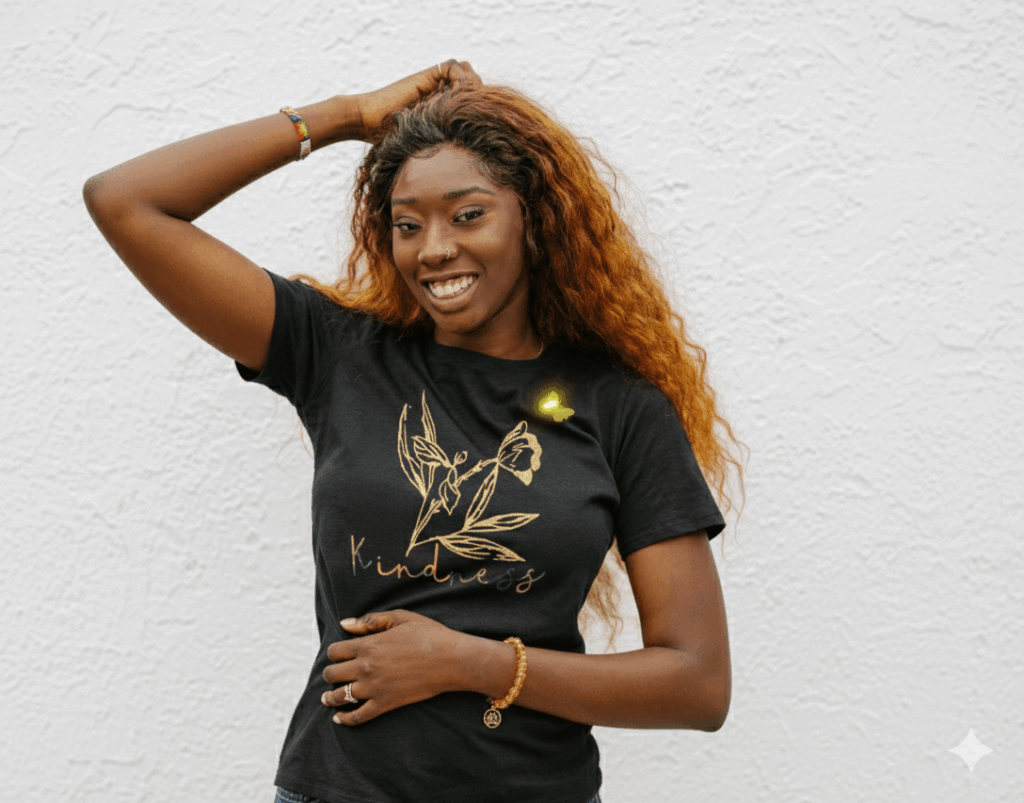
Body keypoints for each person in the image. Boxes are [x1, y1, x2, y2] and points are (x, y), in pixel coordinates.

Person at [83, 60, 742, 803]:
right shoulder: (335, 354)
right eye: (407, 223)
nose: (433, 249)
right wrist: (344, 117)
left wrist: (471, 663)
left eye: (468, 215)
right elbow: (125, 201)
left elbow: (697, 682)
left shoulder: (618, 407)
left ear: (535, 219)